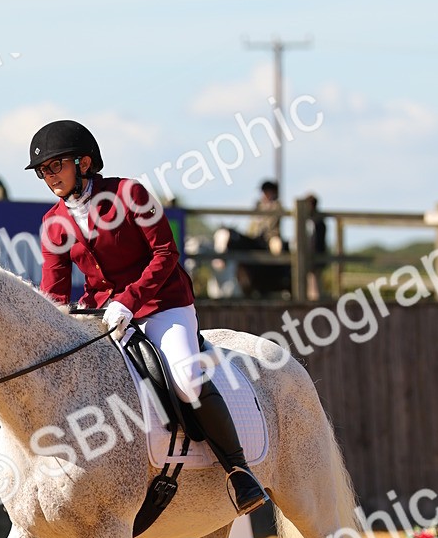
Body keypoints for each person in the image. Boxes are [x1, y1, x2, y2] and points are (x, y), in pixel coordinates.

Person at [29, 119, 270, 516]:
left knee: (187, 378)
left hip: (163, 304)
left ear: (84, 162)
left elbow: (166, 254)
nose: (49, 176)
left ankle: (239, 470)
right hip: (103, 314)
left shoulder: (131, 193)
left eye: (56, 165)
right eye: (43, 170)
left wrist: (129, 299)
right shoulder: (53, 222)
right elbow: (54, 290)